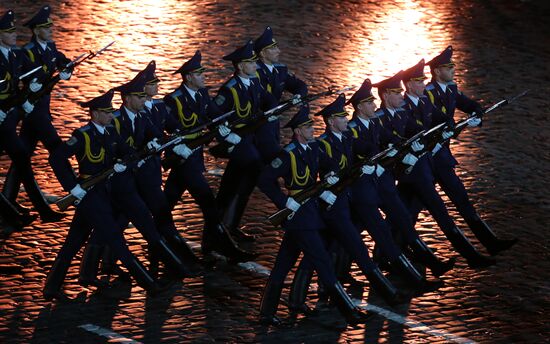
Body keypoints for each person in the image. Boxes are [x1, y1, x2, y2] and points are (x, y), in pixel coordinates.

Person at [288, 96, 409, 315]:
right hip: (330, 207)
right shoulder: (321, 144)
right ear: (331, 121)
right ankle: (388, 292)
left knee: (326, 248)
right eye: (342, 117)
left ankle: (302, 296)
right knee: (355, 246)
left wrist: (388, 151)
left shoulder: (345, 138)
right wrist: (323, 190)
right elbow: (310, 173)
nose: (346, 120)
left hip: (345, 200)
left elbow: (365, 147)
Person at [45, 90, 169, 301]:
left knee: (74, 241)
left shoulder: (109, 132)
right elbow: (56, 158)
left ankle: (51, 287)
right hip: (88, 194)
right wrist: (72, 187)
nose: (112, 115)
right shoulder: (82, 135)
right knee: (115, 238)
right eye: (106, 112)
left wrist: (140, 154)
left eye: (111, 111)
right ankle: (148, 283)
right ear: (94, 114)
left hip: (103, 192)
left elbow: (125, 151)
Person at [257, 105, 372, 327]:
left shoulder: (312, 149)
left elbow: (326, 163)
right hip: (299, 217)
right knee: (322, 261)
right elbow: (264, 179)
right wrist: (283, 201)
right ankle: (348, 311)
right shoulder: (288, 154)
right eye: (308, 127)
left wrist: (329, 175)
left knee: (283, 265)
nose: (312, 130)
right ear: (298, 131)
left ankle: (266, 313)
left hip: (309, 213)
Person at [375, 70, 495, 268]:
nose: (424, 85)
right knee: (440, 212)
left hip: (424, 168)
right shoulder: (388, 115)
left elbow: (443, 121)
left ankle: (383, 257)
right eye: (419, 81)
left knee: (405, 214)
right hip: (412, 172)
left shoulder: (420, 103)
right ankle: (470, 257)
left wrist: (463, 124)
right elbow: (406, 134)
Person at [425, 46, 517, 255]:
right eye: (449, 68)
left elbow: (466, 103)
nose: (453, 71)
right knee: (416, 208)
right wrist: (453, 124)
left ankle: (489, 242)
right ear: (437, 71)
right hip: (426, 157)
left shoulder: (450, 89)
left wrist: (476, 112)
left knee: (461, 197)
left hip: (442, 157)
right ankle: (393, 252)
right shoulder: (427, 94)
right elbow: (430, 120)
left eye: (453, 67)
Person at [163, 51, 254, 261]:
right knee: (208, 202)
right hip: (182, 157)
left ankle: (159, 237)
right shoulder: (173, 100)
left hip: (194, 156)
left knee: (167, 203)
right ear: (188, 78)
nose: (204, 77)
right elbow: (166, 127)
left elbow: (214, 114)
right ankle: (224, 247)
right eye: (199, 74)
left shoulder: (202, 94)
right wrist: (177, 145)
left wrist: (224, 129)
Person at [2, 5, 69, 223]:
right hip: (16, 115)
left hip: (15, 116)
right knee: (51, 149)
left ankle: (13, 205)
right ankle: (75, 192)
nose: (14, 36)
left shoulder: (14, 54)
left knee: (22, 158)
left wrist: (67, 67)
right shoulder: (22, 53)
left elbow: (57, 59)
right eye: (9, 32)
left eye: (13, 32)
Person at [214, 39, 277, 241]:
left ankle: (226, 226)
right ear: (241, 66)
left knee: (235, 184)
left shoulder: (254, 82)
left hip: (249, 138)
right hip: (236, 140)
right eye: (251, 63)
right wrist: (223, 133)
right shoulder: (229, 89)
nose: (255, 65)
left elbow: (267, 100)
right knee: (256, 170)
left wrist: (273, 111)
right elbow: (213, 114)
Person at [253, 26, 308, 163]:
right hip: (258, 122)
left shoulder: (280, 70)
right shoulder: (254, 71)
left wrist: (298, 96)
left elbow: (299, 85)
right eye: (273, 48)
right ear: (263, 53)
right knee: (270, 158)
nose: (279, 51)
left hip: (274, 122)